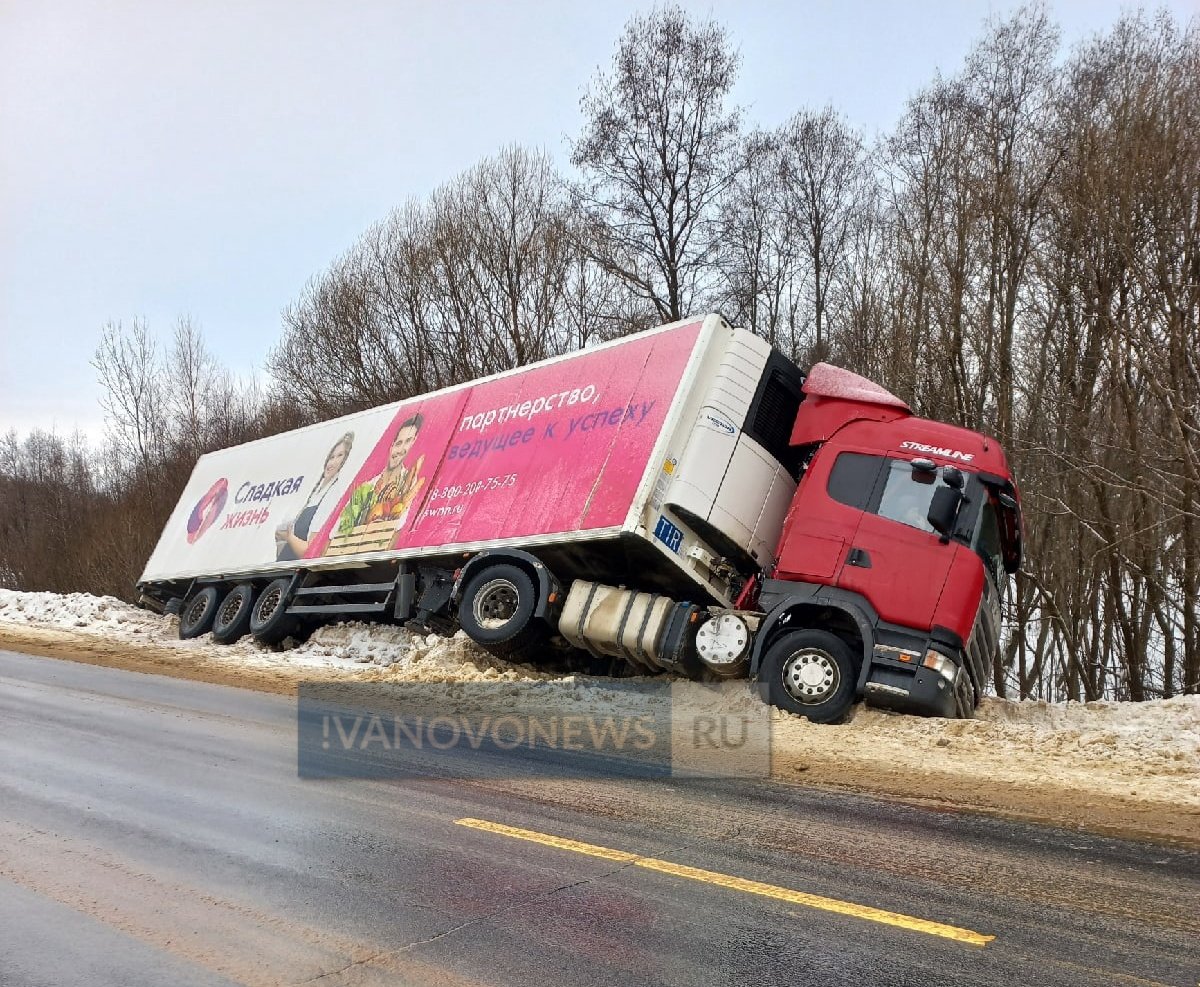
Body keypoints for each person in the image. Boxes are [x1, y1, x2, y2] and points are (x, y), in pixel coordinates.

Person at [333, 414, 426, 540]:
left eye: (408, 442)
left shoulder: (411, 486)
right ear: (391, 446)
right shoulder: (366, 488)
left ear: (413, 443)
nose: (401, 449)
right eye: (399, 443)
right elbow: (336, 532)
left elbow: (398, 531)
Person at [275, 432, 354, 561]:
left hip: (297, 568)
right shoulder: (317, 493)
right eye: (331, 457)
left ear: (345, 461)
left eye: (339, 456)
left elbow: (310, 551)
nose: (332, 462)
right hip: (286, 569)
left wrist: (288, 537)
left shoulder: (332, 496)